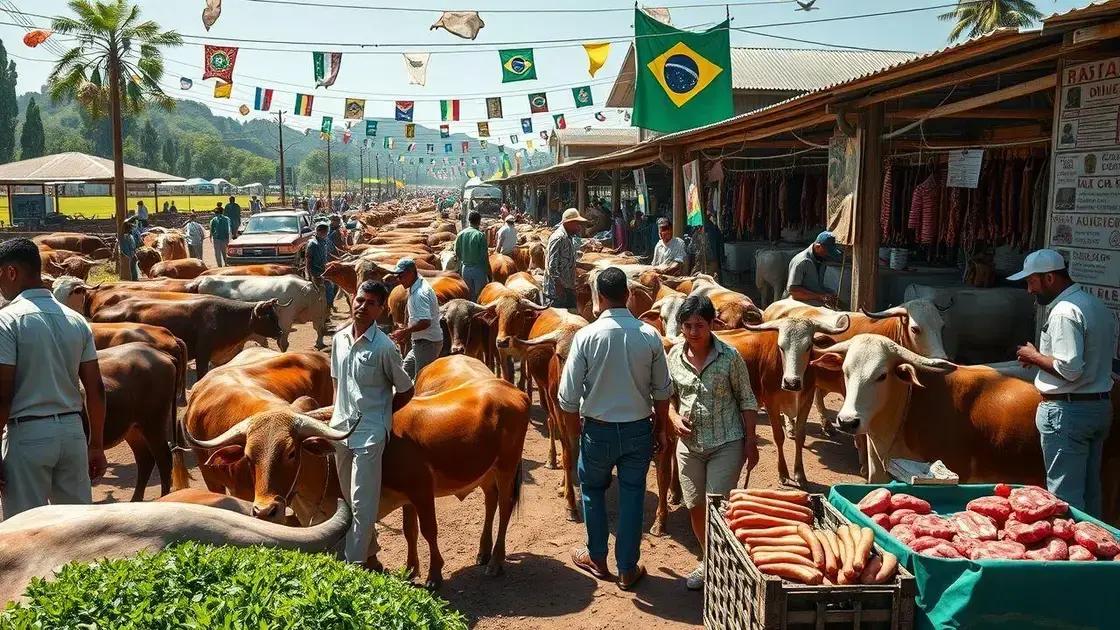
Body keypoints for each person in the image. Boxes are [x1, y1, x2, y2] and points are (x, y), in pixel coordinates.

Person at [558, 267, 673, 590]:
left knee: (593, 491)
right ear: (628, 295)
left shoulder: (585, 337)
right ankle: (627, 568)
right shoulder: (649, 335)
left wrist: (575, 436)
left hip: (597, 431)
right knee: (633, 495)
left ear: (599, 297)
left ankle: (597, 557)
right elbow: (663, 391)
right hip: (639, 430)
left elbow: (567, 397)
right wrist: (660, 429)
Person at [0, 239, 107, 518]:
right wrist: (96, 444)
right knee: (77, 527)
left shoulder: (7, 321)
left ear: (11, 272)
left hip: (27, 435)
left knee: (26, 528)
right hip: (72, 434)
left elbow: (2, 395)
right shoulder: (76, 320)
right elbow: (95, 388)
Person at [1010, 249, 1118, 515]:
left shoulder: (1063, 312)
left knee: (1063, 498)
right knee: (1090, 492)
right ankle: (1095, 539)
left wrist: (1034, 356)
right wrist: (1042, 359)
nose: (1029, 290)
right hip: (1097, 407)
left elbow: (1069, 369)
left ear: (1049, 278)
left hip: (1068, 413)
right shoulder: (1095, 305)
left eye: (1032, 282)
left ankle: (1068, 543)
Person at [667, 295, 760, 590]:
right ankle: (709, 559)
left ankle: (722, 564)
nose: (693, 332)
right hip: (689, 446)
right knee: (695, 505)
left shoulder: (730, 357)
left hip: (726, 442)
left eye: (699, 325)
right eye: (687, 326)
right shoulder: (674, 357)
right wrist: (673, 418)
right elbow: (668, 398)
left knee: (717, 506)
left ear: (712, 324)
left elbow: (746, 399)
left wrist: (751, 441)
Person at [330, 280, 414, 567]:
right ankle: (369, 554)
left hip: (369, 435)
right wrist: (334, 418)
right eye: (359, 300)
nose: (362, 307)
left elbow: (406, 390)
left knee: (362, 504)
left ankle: (352, 566)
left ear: (380, 310)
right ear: (352, 300)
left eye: (370, 303)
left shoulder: (384, 347)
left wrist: (382, 417)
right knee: (347, 500)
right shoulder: (339, 339)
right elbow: (337, 382)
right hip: (340, 431)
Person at [388, 258, 445, 379]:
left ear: (410, 272)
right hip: (421, 343)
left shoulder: (419, 294)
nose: (399, 280)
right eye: (397, 276)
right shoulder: (416, 287)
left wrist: (405, 331)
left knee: (422, 379)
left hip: (427, 343)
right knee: (405, 373)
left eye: (401, 276)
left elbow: (425, 322)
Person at [784, 231, 842, 307]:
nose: (828, 254)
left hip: (814, 300)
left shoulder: (821, 260)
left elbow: (816, 286)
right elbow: (794, 292)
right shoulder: (801, 261)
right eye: (826, 252)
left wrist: (829, 293)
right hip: (798, 303)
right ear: (818, 247)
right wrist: (819, 296)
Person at [546, 208, 587, 309]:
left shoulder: (569, 237)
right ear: (568, 222)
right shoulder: (558, 238)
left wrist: (585, 265)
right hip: (558, 291)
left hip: (567, 286)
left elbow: (568, 260)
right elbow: (552, 266)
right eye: (577, 224)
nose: (579, 227)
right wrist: (558, 286)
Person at [454, 211, 491, 301]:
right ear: (479, 221)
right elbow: (484, 256)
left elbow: (457, 252)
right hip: (478, 270)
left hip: (465, 269)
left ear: (469, 220)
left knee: (469, 295)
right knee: (481, 296)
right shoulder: (480, 235)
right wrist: (489, 272)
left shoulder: (460, 234)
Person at [306, 223, 331, 349]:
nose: (326, 234)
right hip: (317, 275)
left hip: (324, 274)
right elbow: (308, 262)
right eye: (325, 232)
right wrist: (310, 276)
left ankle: (325, 319)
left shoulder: (323, 242)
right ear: (320, 232)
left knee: (329, 297)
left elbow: (325, 258)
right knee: (320, 303)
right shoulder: (313, 244)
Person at [117, 216, 140, 281]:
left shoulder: (128, 236)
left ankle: (134, 278)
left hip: (130, 251)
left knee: (133, 264)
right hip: (130, 252)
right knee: (132, 264)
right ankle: (134, 278)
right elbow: (127, 247)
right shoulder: (127, 236)